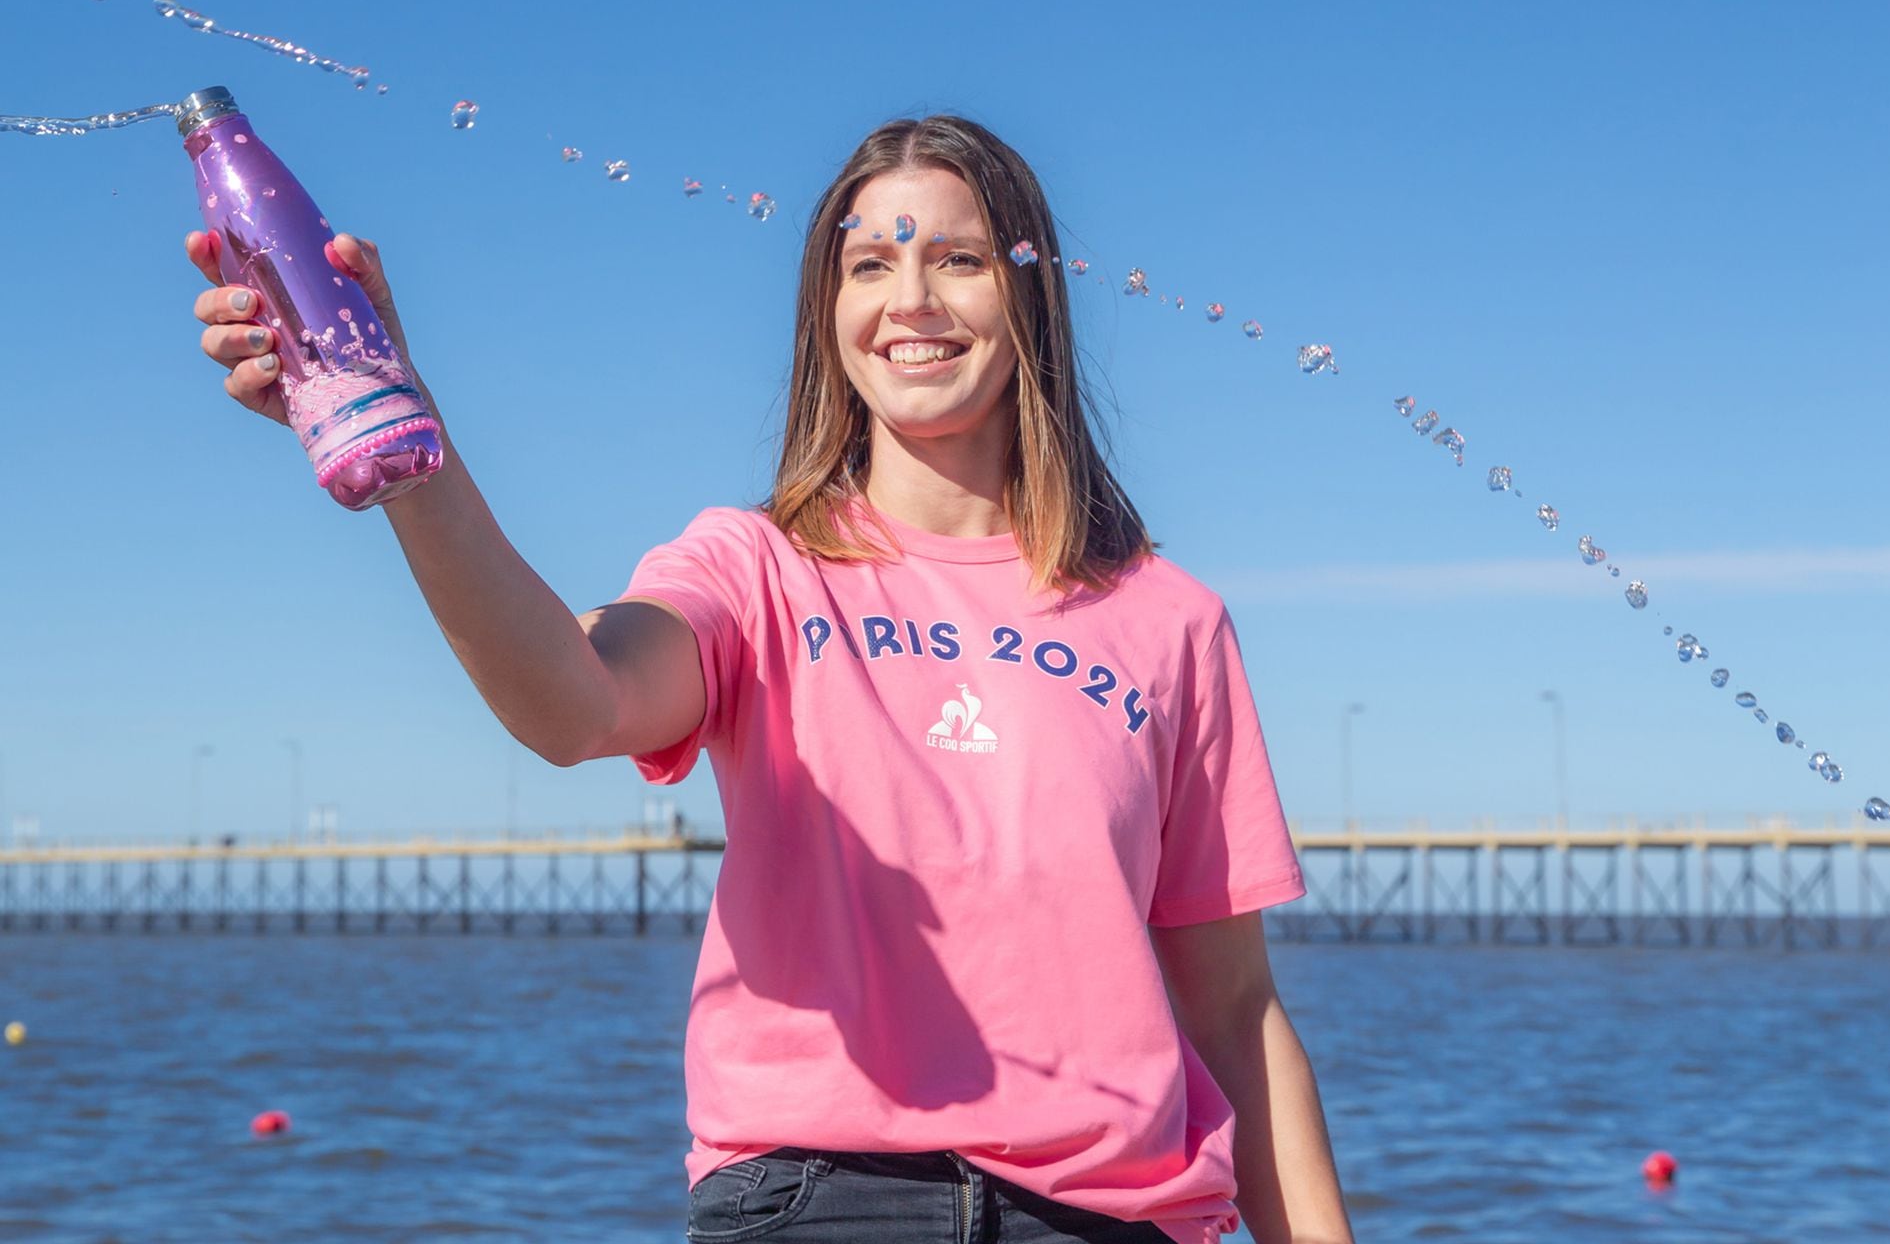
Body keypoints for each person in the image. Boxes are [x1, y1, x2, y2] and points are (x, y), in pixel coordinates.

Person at [185, 114, 1352, 1244]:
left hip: (1114, 1214)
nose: (913, 301)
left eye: (960, 259)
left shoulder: (1168, 618)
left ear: (1031, 291)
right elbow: (571, 700)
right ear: (825, 310)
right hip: (819, 1200)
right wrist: (408, 449)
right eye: (869, 265)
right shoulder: (754, 569)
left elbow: (1236, 1012)